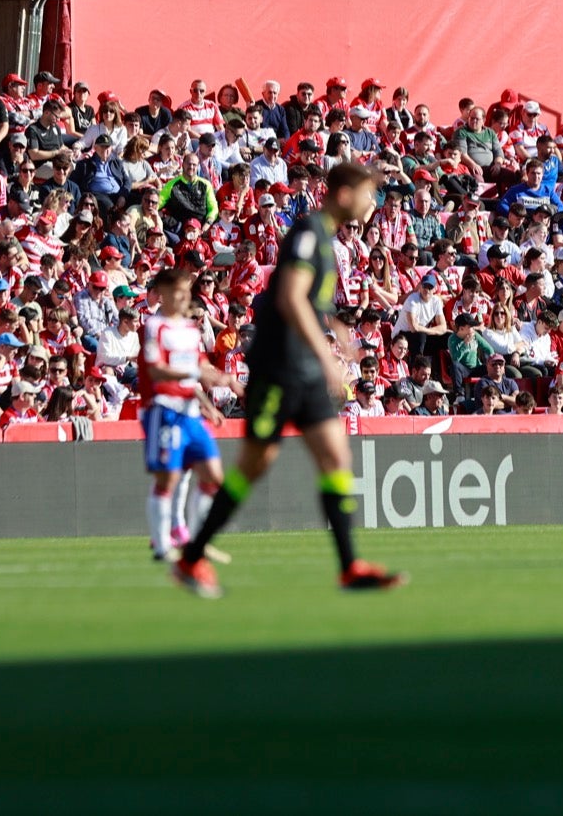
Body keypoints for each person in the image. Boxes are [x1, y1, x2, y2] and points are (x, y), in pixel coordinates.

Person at [172, 163, 405, 598]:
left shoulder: (329, 241)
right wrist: (328, 356)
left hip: (305, 369)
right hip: (279, 368)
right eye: (368, 193)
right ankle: (191, 557)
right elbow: (290, 297)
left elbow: (310, 303)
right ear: (344, 193)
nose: (373, 202)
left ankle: (350, 566)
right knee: (253, 466)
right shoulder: (308, 231)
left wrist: (336, 331)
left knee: (336, 456)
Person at [139, 268, 237, 564]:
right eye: (178, 292)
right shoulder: (155, 326)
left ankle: (195, 542)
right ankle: (160, 545)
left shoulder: (190, 330)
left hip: (190, 412)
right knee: (168, 479)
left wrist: (227, 382)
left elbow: (200, 370)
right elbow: (156, 370)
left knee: (214, 476)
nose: (184, 297)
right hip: (163, 409)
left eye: (186, 292)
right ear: (163, 294)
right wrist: (198, 373)